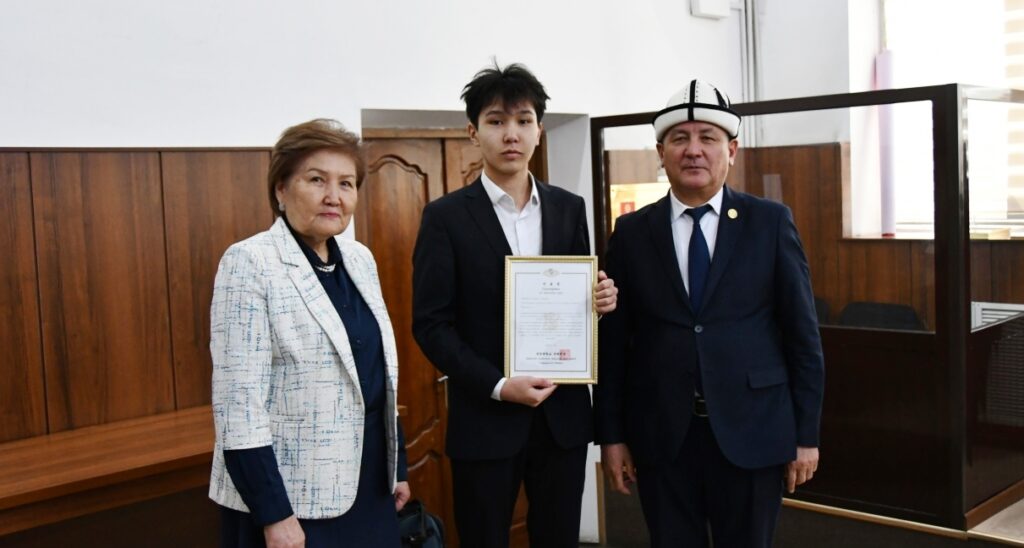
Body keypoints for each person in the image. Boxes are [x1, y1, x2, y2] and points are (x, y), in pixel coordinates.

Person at [593, 80, 825, 547]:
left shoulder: (769, 222)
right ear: (661, 153)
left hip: (753, 430)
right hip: (662, 436)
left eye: (708, 138)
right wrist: (611, 437)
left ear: (731, 150)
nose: (693, 150)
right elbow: (614, 344)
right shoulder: (633, 232)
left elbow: (803, 337)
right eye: (680, 139)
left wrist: (806, 435)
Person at [411, 62, 618, 548]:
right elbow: (431, 325)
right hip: (485, 420)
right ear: (473, 131)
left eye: (524, 120)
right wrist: (500, 385)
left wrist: (600, 300)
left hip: (562, 418)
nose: (512, 134)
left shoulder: (569, 207)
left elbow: (577, 301)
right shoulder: (445, 218)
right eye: (496, 121)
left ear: (539, 130)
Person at [209, 119, 411, 548]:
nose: (334, 196)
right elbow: (239, 407)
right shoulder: (250, 262)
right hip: (291, 501)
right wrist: (275, 514)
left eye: (346, 183)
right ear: (281, 189)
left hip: (370, 485)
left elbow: (377, 377)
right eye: (317, 180)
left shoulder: (359, 259)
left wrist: (397, 467)